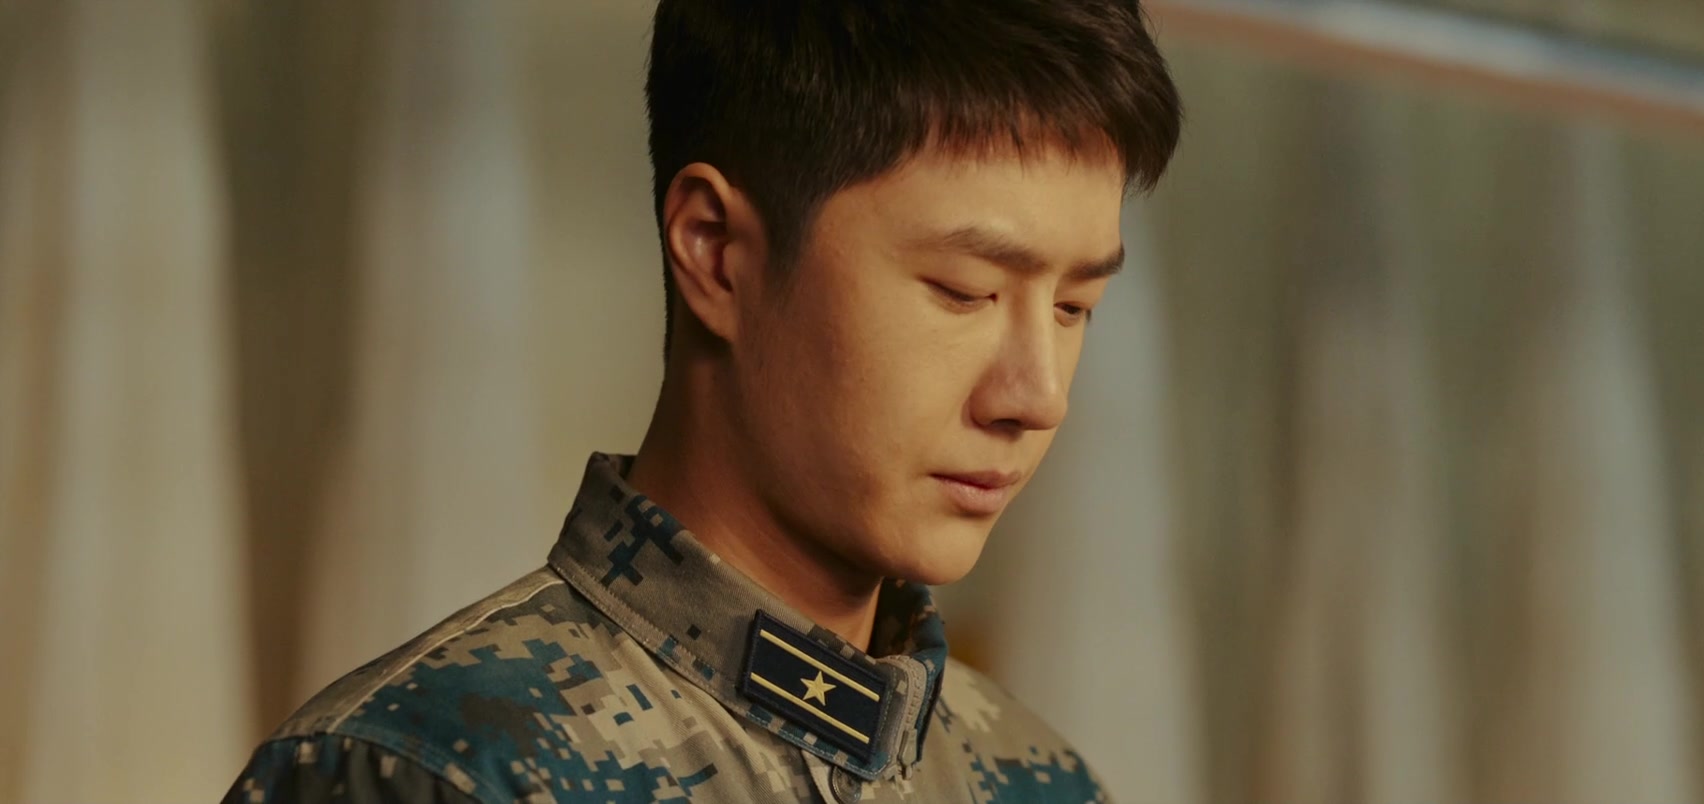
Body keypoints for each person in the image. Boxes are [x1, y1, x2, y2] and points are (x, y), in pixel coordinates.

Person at [224, 1, 1181, 801]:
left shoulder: (1041, 783)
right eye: (965, 291)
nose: (1037, 396)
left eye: (1074, 306)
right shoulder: (430, 773)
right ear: (716, 252)